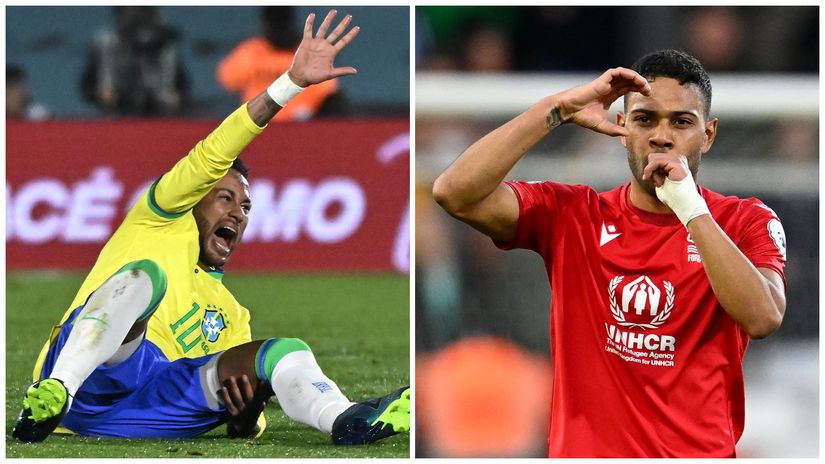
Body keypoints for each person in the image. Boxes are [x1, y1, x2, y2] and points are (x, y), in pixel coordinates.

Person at [13, 10, 409, 446]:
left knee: (282, 350)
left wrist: (246, 417)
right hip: (92, 382)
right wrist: (290, 84)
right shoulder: (158, 220)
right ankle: (57, 390)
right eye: (225, 198)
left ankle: (344, 419)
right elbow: (215, 150)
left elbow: (246, 418)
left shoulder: (231, 314)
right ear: (194, 197)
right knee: (144, 277)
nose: (238, 213)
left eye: (246, 206)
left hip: (151, 408)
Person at [432, 49, 786, 458]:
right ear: (622, 126)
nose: (662, 136)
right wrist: (557, 109)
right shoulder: (574, 215)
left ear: (708, 135)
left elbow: (764, 317)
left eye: (681, 122)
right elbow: (453, 193)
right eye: (645, 119)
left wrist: (691, 210)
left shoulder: (745, 220)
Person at [217, 6, 343, 121]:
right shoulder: (250, 51)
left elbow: (327, 91)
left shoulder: (308, 53)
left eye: (283, 25)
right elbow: (228, 79)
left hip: (301, 127)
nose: (279, 31)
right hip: (257, 126)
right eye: (276, 25)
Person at [81, 6, 189, 116]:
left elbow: (181, 85)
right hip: (117, 115)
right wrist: (100, 93)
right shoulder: (105, 44)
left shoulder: (168, 45)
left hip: (160, 115)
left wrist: (176, 96)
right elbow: (88, 85)